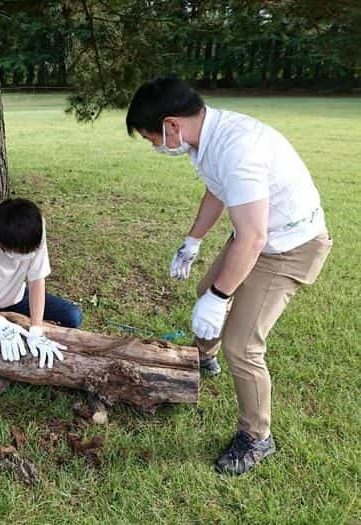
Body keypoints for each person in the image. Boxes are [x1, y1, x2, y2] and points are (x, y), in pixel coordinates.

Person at [125, 77, 332, 475]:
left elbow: (253, 238)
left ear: (172, 125)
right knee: (206, 290)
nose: (155, 147)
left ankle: (257, 437)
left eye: (152, 138)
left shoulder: (238, 148)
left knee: (243, 344)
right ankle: (204, 359)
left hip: (289, 249)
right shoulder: (210, 138)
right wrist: (193, 242)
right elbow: (217, 192)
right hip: (259, 237)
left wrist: (221, 299)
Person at [0, 198, 82, 369]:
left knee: (73, 316)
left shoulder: (35, 230)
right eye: (15, 252)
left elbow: (36, 279)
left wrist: (37, 329)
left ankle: (26, 334)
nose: (22, 257)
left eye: (28, 252)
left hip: (16, 297)